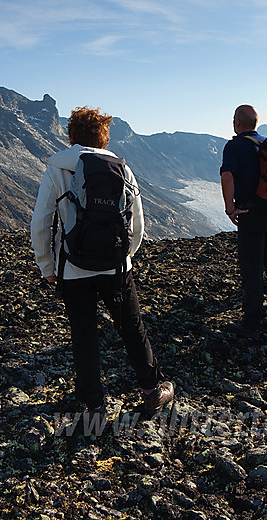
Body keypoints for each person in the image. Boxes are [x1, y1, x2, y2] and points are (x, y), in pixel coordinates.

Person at [30, 106, 174, 418]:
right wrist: (125, 257)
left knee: (84, 334)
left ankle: (93, 404)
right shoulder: (121, 169)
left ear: (72, 136)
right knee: (131, 327)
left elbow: (41, 222)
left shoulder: (57, 168)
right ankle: (151, 392)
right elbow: (136, 223)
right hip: (116, 268)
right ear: (104, 138)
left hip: (72, 268)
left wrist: (47, 267)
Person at [219, 104, 267, 339]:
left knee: (252, 270)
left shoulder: (235, 146)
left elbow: (227, 176)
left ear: (237, 122)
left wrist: (230, 208)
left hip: (250, 213)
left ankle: (251, 323)